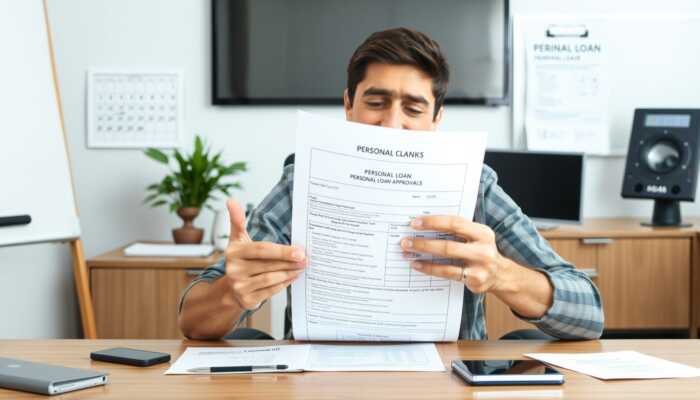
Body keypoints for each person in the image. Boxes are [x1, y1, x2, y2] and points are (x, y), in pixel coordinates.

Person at [178, 27, 604, 341]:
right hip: (320, 377)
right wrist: (232, 293)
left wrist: (503, 275)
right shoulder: (300, 182)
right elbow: (191, 320)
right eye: (376, 103)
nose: (392, 124)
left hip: (446, 377)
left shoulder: (475, 186)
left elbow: (589, 312)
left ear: (437, 119)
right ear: (348, 105)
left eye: (413, 108)